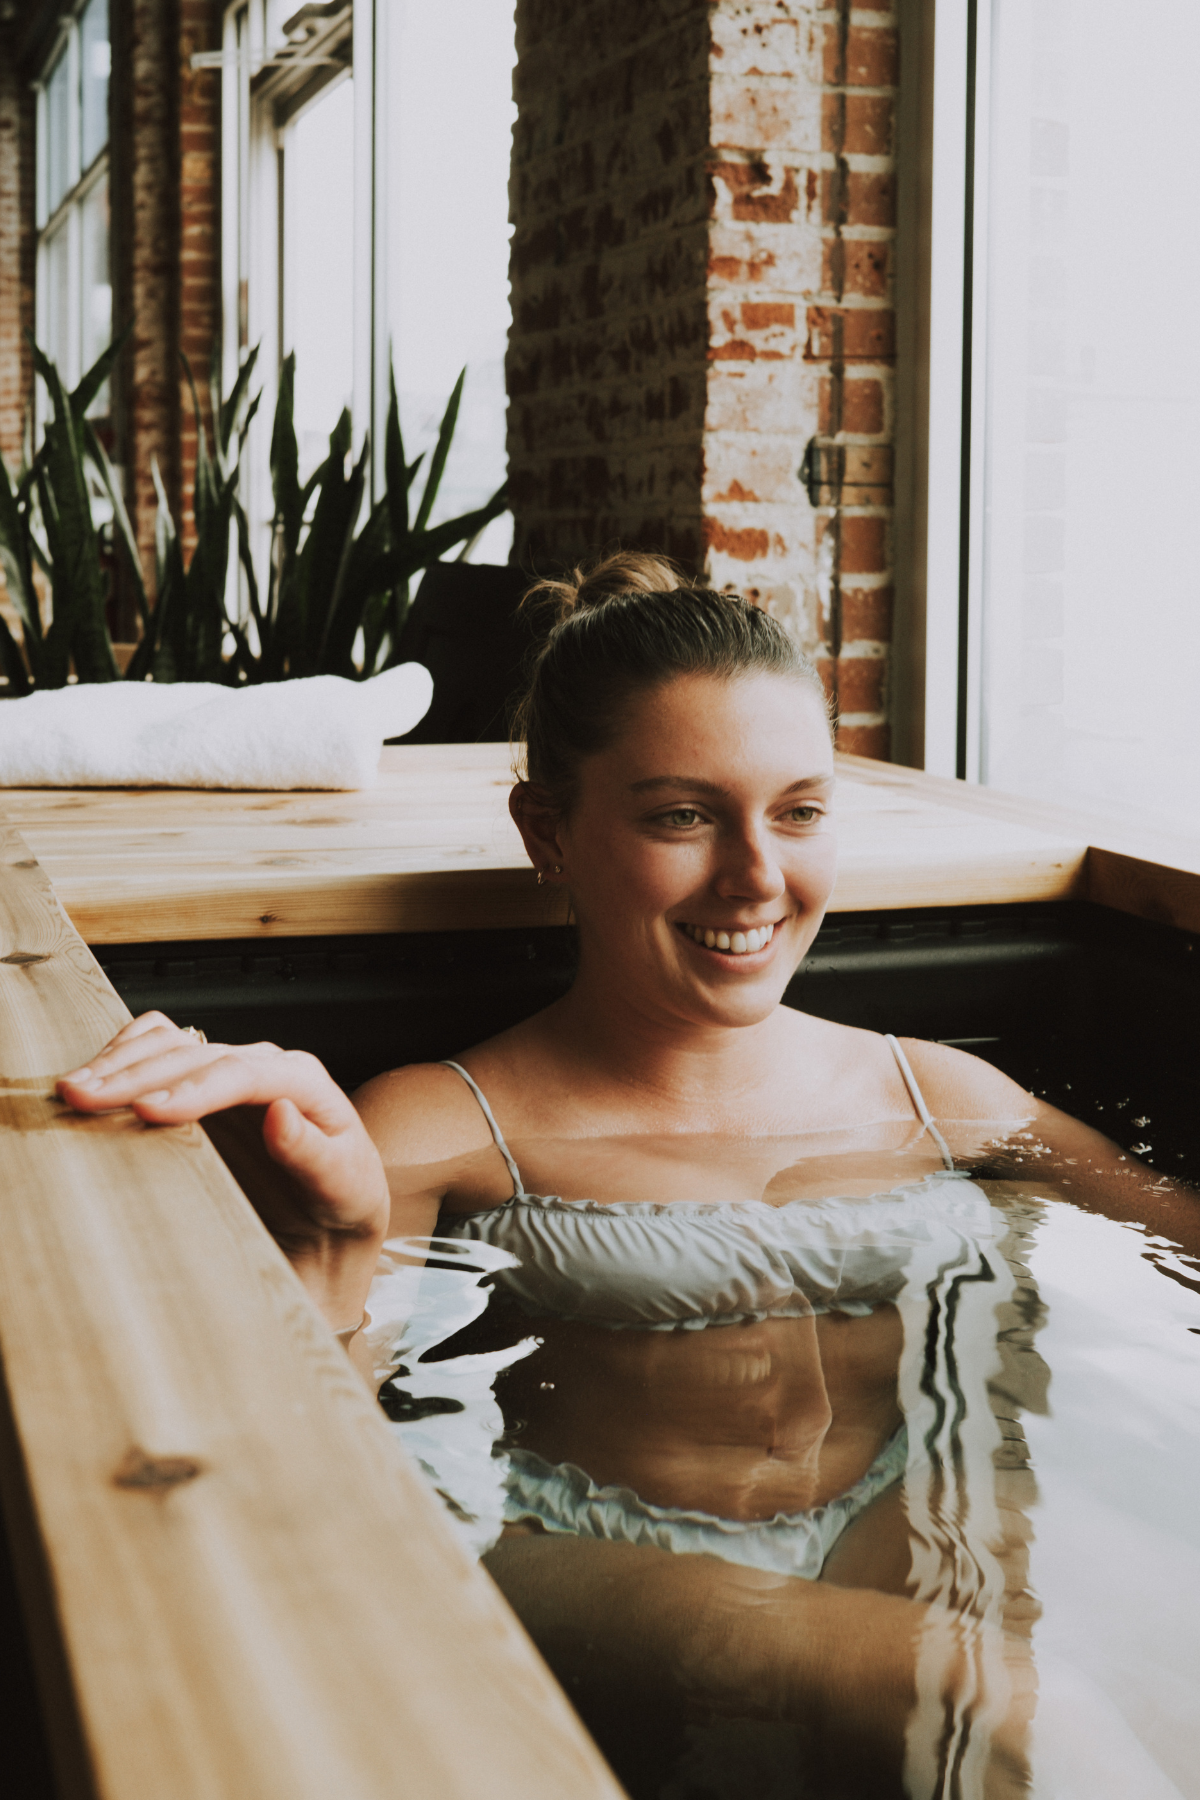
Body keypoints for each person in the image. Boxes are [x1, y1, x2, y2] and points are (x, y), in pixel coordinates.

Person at [57, 554, 1199, 1799]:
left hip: (887, 1511)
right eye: (682, 816)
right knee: (1013, 1708)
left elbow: (1172, 1249)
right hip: (596, 1552)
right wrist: (326, 1242)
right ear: (549, 831)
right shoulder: (450, 1123)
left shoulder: (940, 1094)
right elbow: (296, 1465)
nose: (756, 875)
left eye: (799, 811)